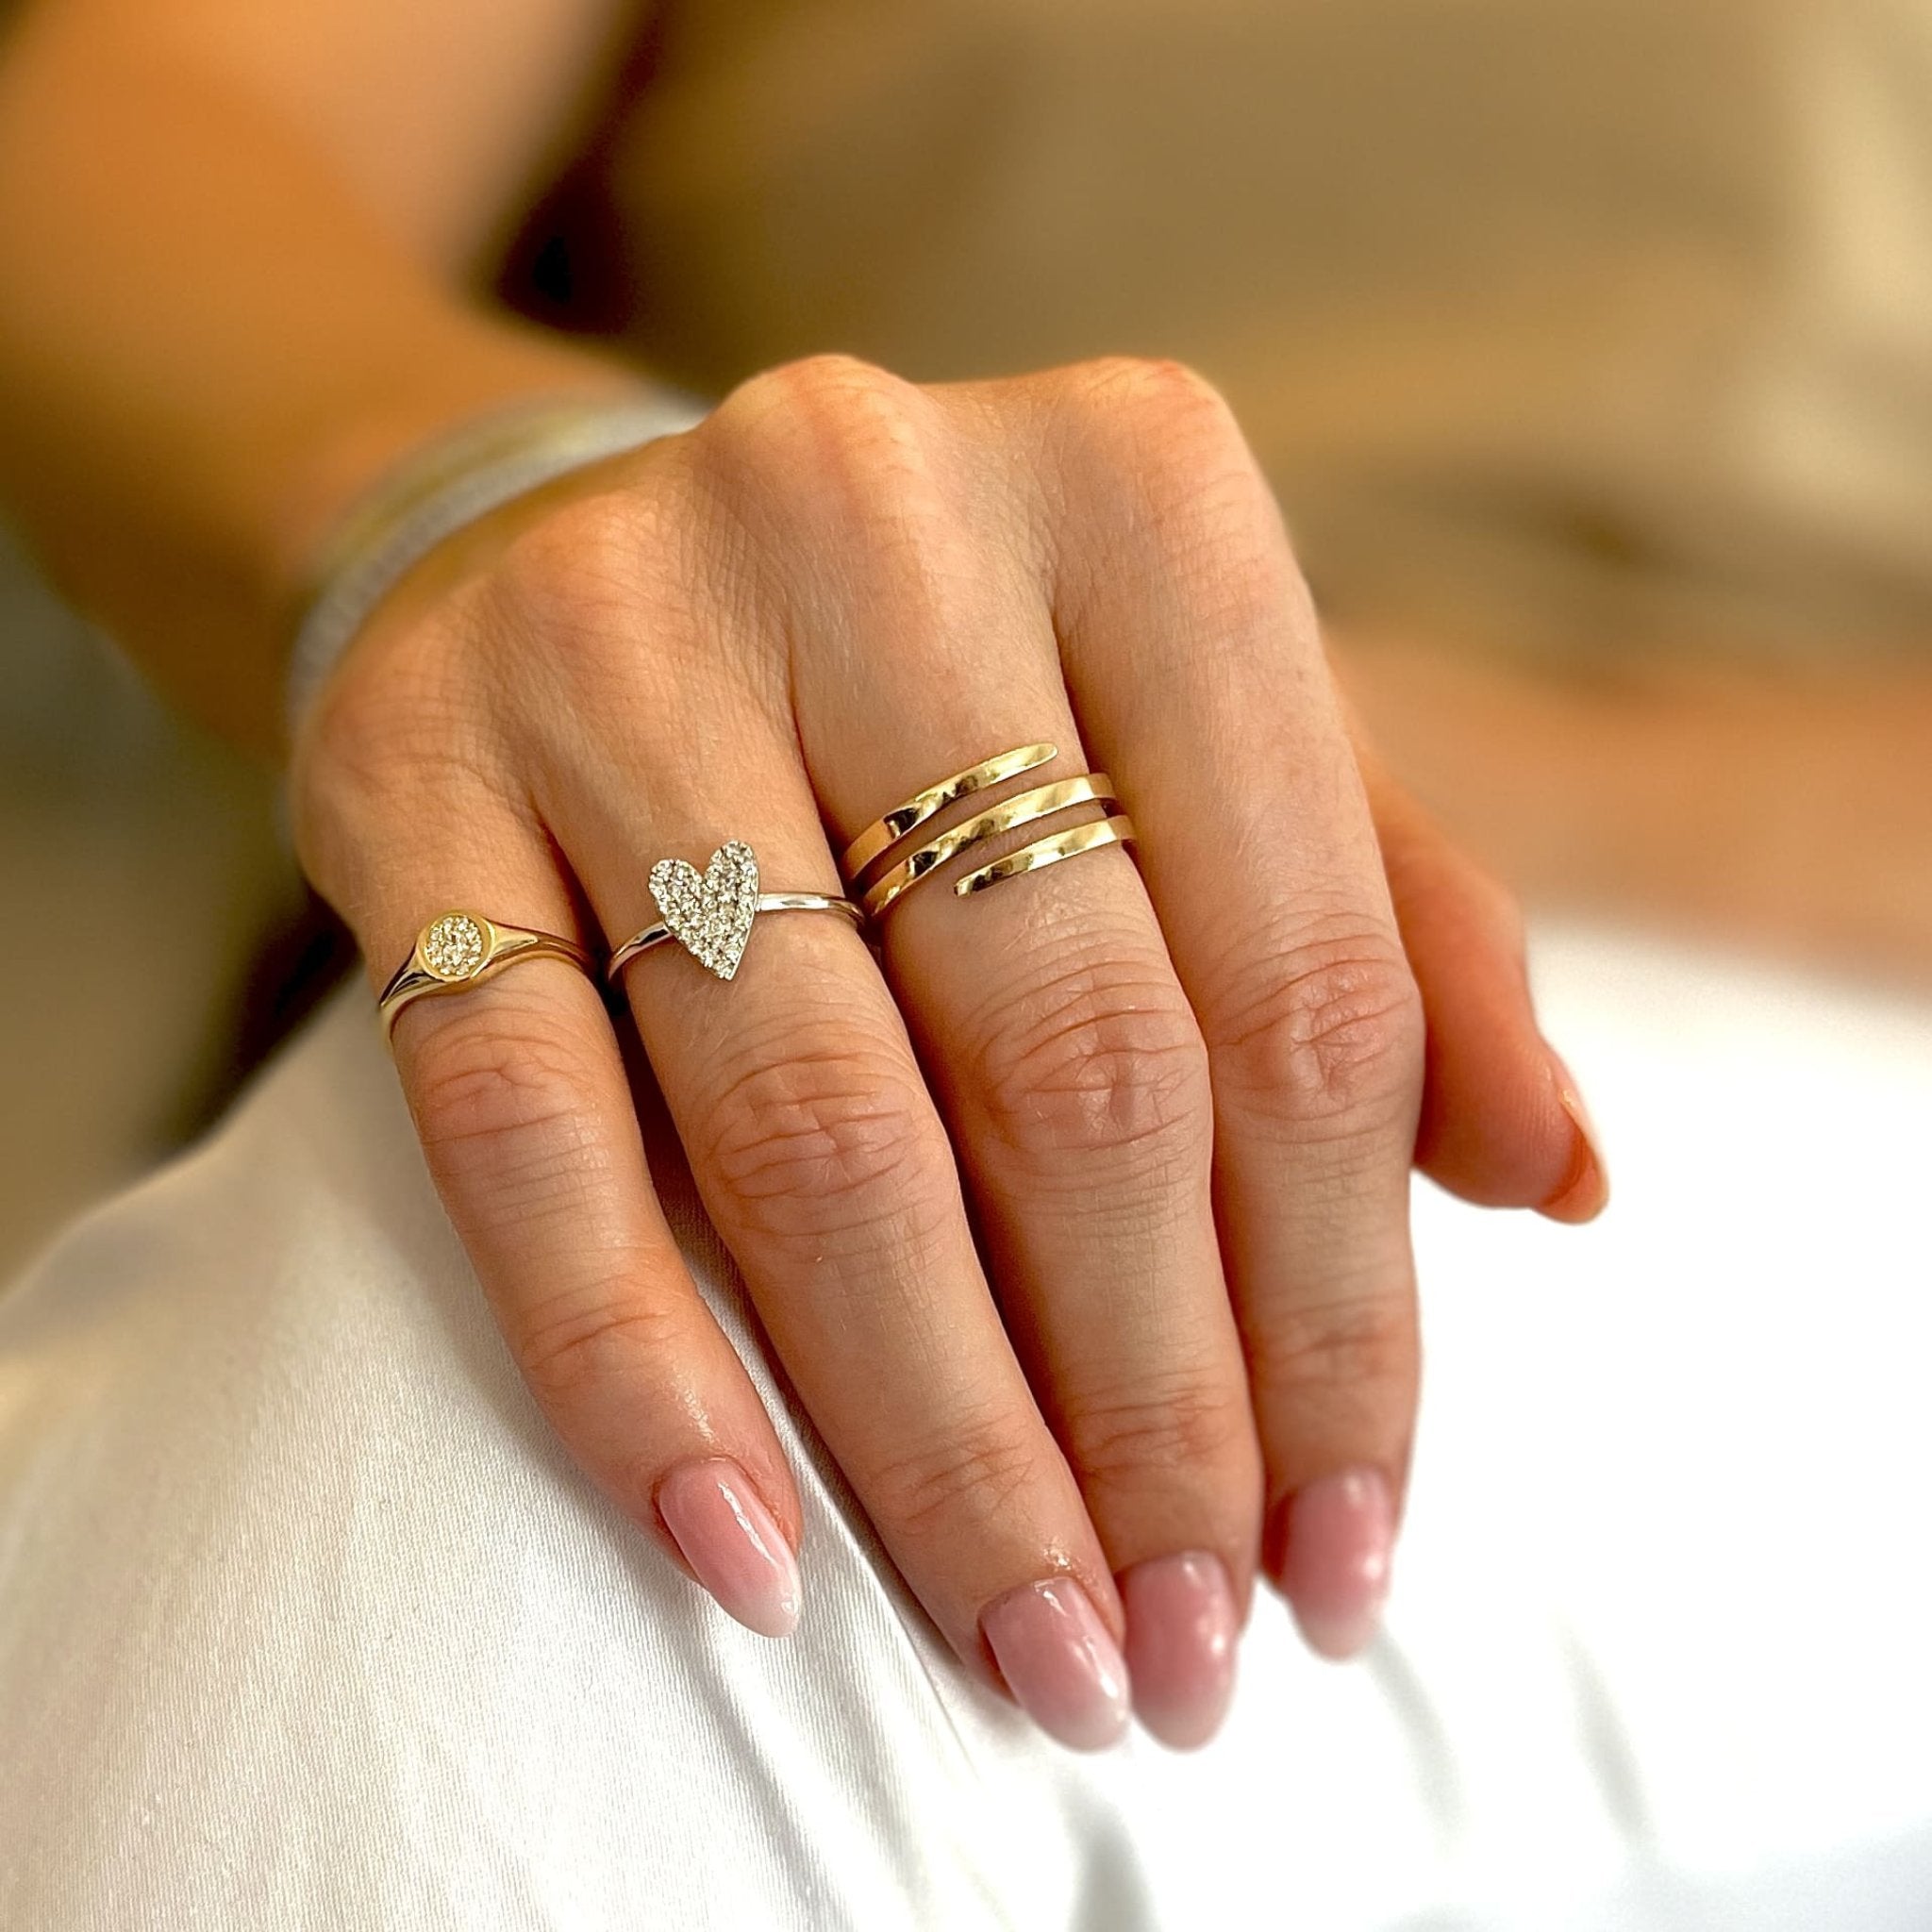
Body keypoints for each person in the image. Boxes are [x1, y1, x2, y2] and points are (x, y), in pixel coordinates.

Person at [0, 1, 1926, 1925]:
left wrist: (1370, 763)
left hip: (1780, 963)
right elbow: (149, 142)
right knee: (567, 1265)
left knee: (641, 1507)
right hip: (774, 772)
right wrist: (491, 503)